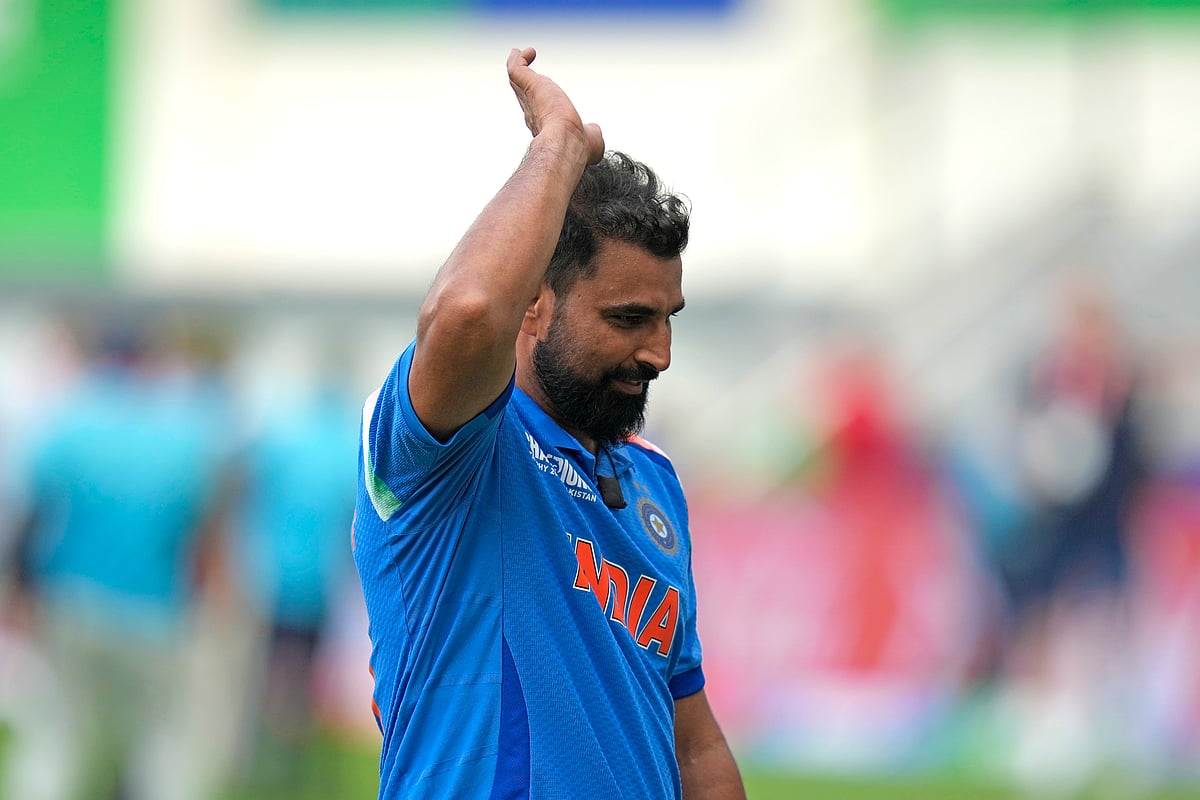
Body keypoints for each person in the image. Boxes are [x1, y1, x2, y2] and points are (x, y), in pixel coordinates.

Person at [352, 47, 745, 799]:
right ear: (533, 302)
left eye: (668, 319)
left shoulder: (653, 480)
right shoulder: (454, 453)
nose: (659, 352)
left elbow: (693, 742)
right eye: (628, 318)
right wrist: (558, 146)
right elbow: (467, 312)